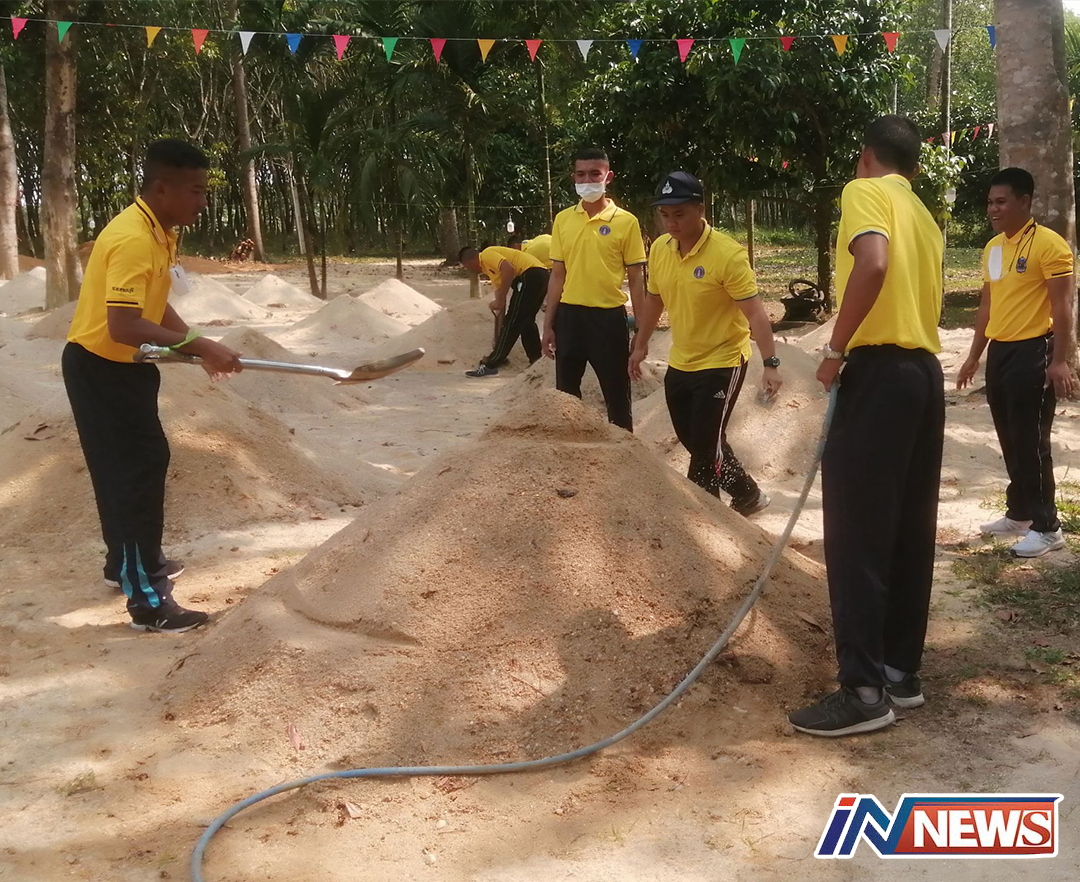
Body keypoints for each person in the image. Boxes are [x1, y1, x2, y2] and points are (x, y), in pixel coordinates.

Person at [788, 116, 945, 737]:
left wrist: (835, 349)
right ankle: (900, 671)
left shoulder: (864, 191)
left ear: (865, 156)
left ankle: (861, 692)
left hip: (878, 372)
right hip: (923, 374)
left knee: (856, 533)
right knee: (909, 527)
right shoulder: (925, 216)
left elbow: (872, 264)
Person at [64, 139, 242, 634]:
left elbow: (155, 303)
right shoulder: (133, 238)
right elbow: (123, 325)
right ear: (162, 189)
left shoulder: (160, 231)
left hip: (128, 368)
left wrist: (194, 346)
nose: (202, 202)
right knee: (132, 476)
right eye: (195, 191)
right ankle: (147, 601)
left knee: (136, 467)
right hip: (102, 369)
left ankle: (126, 565)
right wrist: (201, 345)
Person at [629, 171, 781, 516]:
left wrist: (770, 364)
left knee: (703, 447)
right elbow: (654, 300)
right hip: (682, 360)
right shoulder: (661, 250)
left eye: (679, 214)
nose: (671, 223)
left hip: (723, 361)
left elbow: (756, 314)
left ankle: (703, 518)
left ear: (700, 209)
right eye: (664, 215)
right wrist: (640, 344)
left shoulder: (727, 255)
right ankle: (748, 494)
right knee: (695, 439)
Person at [957, 168, 1074, 558]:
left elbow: (1062, 306)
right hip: (1001, 352)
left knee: (1031, 441)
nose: (993, 209)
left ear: (1025, 201)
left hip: (1034, 350)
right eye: (990, 202)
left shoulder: (1050, 245)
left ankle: (1047, 527)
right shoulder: (993, 248)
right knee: (1009, 436)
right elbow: (987, 305)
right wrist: (974, 355)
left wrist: (1060, 360)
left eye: (1001, 202)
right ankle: (1020, 513)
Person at [541, 147, 646, 431]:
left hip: (608, 319)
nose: (587, 180)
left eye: (594, 174)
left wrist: (641, 331)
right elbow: (557, 275)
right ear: (573, 177)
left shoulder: (626, 222)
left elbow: (636, 280)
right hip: (569, 318)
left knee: (617, 395)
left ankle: (624, 448)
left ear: (608, 177)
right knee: (566, 396)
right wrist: (548, 325)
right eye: (581, 174)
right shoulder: (563, 219)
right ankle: (570, 447)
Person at [458, 244, 549, 377]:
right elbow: (501, 304)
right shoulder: (491, 272)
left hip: (531, 275)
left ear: (469, 261)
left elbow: (508, 269)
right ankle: (536, 361)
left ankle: (491, 365)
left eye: (467, 267)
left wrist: (501, 303)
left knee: (513, 322)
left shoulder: (487, 254)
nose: (469, 271)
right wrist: (499, 332)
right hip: (540, 276)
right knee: (526, 321)